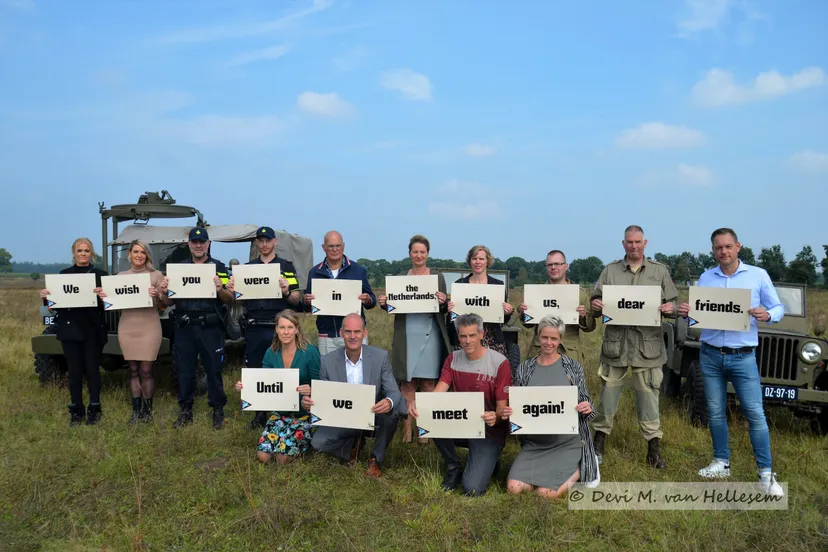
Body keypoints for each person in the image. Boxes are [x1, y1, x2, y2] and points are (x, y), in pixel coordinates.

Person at [678, 228, 785, 496]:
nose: (723, 252)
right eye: (718, 248)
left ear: (738, 246)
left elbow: (779, 309)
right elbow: (699, 316)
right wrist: (687, 312)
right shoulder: (705, 277)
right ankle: (721, 462)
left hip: (743, 356)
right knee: (715, 412)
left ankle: (765, 473)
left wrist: (767, 314)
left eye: (727, 246)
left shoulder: (757, 275)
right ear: (713, 250)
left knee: (755, 414)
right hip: (711, 354)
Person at [589, 225, 677, 469]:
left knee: (649, 397)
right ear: (623, 243)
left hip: (647, 347)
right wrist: (596, 304)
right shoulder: (610, 271)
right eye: (629, 242)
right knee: (607, 396)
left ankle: (653, 449)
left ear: (645, 243)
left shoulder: (659, 272)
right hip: (616, 346)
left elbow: (673, 302)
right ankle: (598, 445)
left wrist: (670, 309)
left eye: (638, 242)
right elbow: (594, 297)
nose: (634, 246)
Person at [409, 313, 511, 496]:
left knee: (472, 489)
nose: (467, 341)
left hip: (489, 430)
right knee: (432, 417)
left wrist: (494, 417)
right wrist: (421, 404)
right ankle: (453, 465)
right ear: (458, 336)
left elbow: (502, 410)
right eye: (463, 336)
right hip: (461, 423)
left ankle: (490, 459)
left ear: (482, 334)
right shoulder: (453, 359)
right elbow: (439, 391)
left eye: (472, 335)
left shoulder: (500, 363)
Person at [502, 315, 599, 499]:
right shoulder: (525, 368)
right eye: (545, 337)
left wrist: (587, 407)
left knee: (544, 494)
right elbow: (519, 405)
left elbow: (587, 403)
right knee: (514, 489)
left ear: (560, 340)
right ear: (538, 336)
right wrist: (510, 412)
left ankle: (581, 466)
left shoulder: (572, 366)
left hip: (565, 443)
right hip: (535, 444)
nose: (548, 342)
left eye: (553, 338)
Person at [302, 313, 403, 478]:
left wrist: (389, 401)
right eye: (348, 332)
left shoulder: (380, 357)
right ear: (341, 333)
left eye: (357, 331)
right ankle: (351, 446)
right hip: (343, 417)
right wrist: (310, 403)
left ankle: (375, 459)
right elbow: (323, 396)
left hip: (372, 414)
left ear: (365, 333)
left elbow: (393, 390)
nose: (353, 336)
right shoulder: (327, 361)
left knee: (391, 414)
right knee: (317, 442)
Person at [377, 234, 451, 443]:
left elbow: (444, 307)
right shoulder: (400, 278)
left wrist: (444, 301)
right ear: (409, 254)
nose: (418, 255)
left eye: (422, 252)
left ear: (427, 254)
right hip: (407, 334)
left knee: (428, 383)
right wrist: (384, 303)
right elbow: (393, 305)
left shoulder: (438, 277)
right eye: (415, 252)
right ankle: (407, 428)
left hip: (431, 333)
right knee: (407, 383)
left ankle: (424, 429)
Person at [228, 226, 302, 429]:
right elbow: (238, 300)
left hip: (278, 327)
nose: (264, 244)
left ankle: (283, 413)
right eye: (260, 241)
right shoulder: (247, 268)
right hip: (254, 326)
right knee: (256, 369)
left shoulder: (287, 267)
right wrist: (233, 291)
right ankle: (260, 414)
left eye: (267, 240)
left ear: (275, 242)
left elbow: (296, 299)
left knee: (282, 369)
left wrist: (287, 291)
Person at [161, 227, 234, 430]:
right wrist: (164, 291)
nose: (198, 245)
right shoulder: (178, 269)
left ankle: (218, 409)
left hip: (209, 326)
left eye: (202, 242)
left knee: (213, 369)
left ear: (208, 244)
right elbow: (168, 302)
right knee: (185, 371)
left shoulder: (218, 267)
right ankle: (185, 410)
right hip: (185, 326)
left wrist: (221, 290)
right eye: (194, 242)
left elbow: (231, 299)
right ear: (189, 245)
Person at [234, 310, 321, 464]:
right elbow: (263, 383)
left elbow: (321, 384)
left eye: (290, 327)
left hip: (304, 414)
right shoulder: (271, 353)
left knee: (282, 458)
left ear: (296, 329)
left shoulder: (310, 352)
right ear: (276, 329)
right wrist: (246, 387)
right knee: (263, 456)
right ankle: (285, 440)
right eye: (282, 327)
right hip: (280, 413)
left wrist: (312, 390)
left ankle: (301, 443)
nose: (286, 332)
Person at [40, 237, 108, 426]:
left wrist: (103, 296)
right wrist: (46, 298)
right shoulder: (63, 275)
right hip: (70, 329)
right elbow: (54, 307)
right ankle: (76, 410)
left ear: (91, 253)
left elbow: (110, 305)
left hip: (93, 329)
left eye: (87, 251)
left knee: (93, 370)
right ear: (74, 253)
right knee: (75, 371)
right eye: (80, 251)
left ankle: (95, 408)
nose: (83, 254)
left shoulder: (101, 275)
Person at [97, 240, 165, 424]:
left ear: (147, 255)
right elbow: (113, 305)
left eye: (143, 252)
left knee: (146, 370)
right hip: (127, 327)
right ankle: (136, 412)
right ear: (129, 254)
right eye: (136, 251)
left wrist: (158, 294)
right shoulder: (121, 276)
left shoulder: (156, 275)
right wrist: (105, 296)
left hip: (149, 326)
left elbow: (166, 303)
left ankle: (147, 412)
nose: (139, 255)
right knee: (133, 370)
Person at [302, 230, 376, 355]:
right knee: (330, 373)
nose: (335, 249)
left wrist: (368, 299)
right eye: (331, 246)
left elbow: (372, 302)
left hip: (354, 334)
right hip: (327, 335)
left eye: (338, 246)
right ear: (324, 247)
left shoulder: (358, 270)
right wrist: (306, 301)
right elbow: (307, 307)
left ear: (343, 246)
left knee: (357, 372)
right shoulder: (314, 272)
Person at [518, 249, 596, 363]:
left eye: (557, 264)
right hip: (540, 351)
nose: (553, 267)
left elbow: (590, 327)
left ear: (566, 266)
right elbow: (528, 325)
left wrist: (583, 316)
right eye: (550, 264)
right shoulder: (536, 292)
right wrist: (524, 313)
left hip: (569, 352)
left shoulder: (579, 294)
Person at [447, 245, 513, 356]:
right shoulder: (459, 284)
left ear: (487, 261)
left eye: (481, 259)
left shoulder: (497, 285)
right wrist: (450, 311)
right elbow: (453, 320)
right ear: (470, 261)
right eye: (474, 258)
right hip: (466, 342)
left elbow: (503, 320)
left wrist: (507, 312)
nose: (478, 262)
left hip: (492, 341)